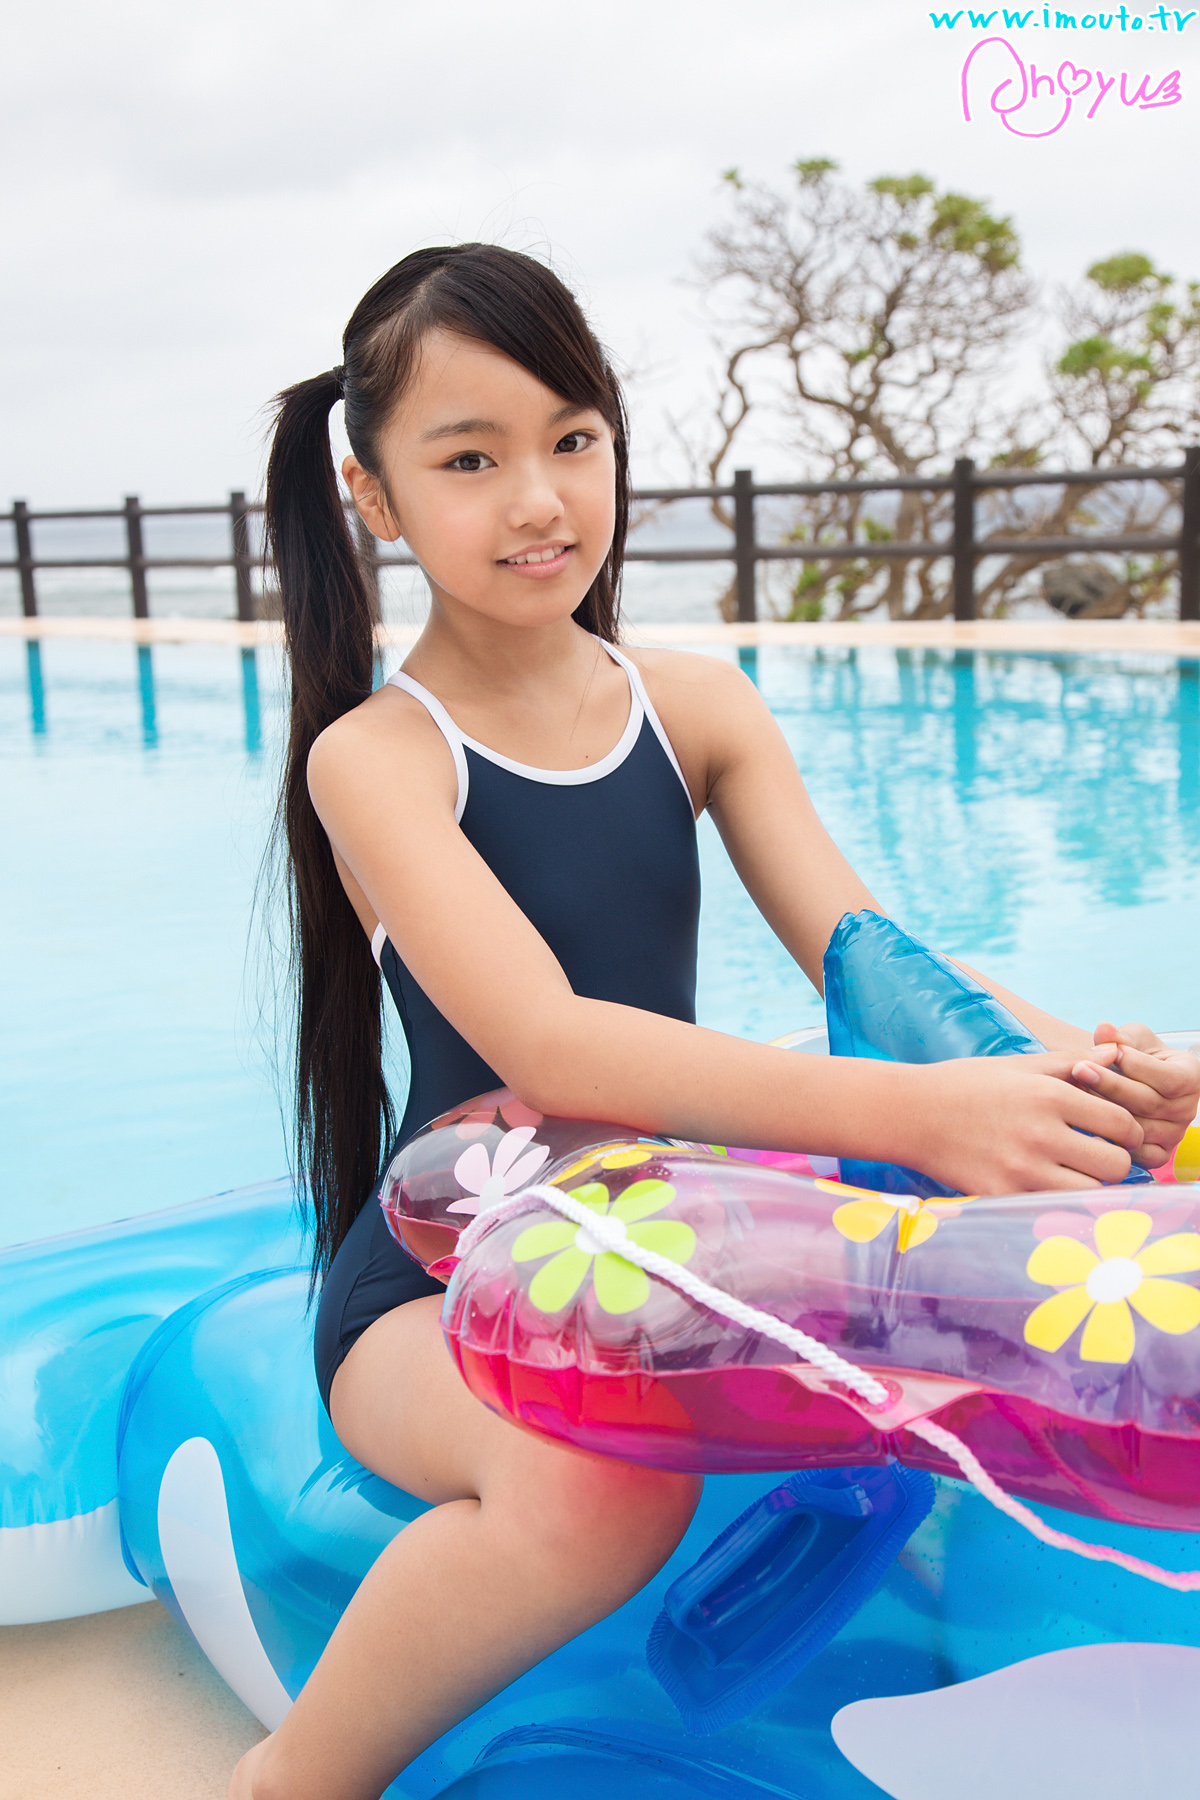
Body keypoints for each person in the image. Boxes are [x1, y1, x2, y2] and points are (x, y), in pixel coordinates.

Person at [231, 244, 1200, 1800]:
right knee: (596, 1493)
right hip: (444, 1272)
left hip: (670, 1247)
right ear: (375, 496)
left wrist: (1096, 1068)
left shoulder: (696, 707)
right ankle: (292, 1777)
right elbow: (550, 1044)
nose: (539, 498)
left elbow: (870, 957)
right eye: (469, 460)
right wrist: (930, 1115)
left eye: (573, 439)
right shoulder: (379, 758)